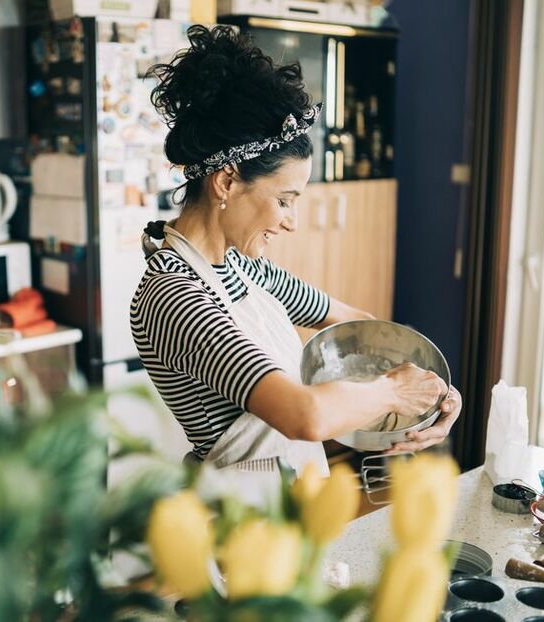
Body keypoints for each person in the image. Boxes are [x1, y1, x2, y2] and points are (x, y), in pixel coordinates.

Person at [131, 25, 462, 478]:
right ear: (226, 182)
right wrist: (392, 392)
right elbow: (303, 415)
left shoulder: (247, 268)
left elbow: (360, 328)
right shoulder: (172, 296)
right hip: (237, 523)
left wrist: (435, 392)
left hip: (292, 506)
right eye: (283, 199)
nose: (291, 220)